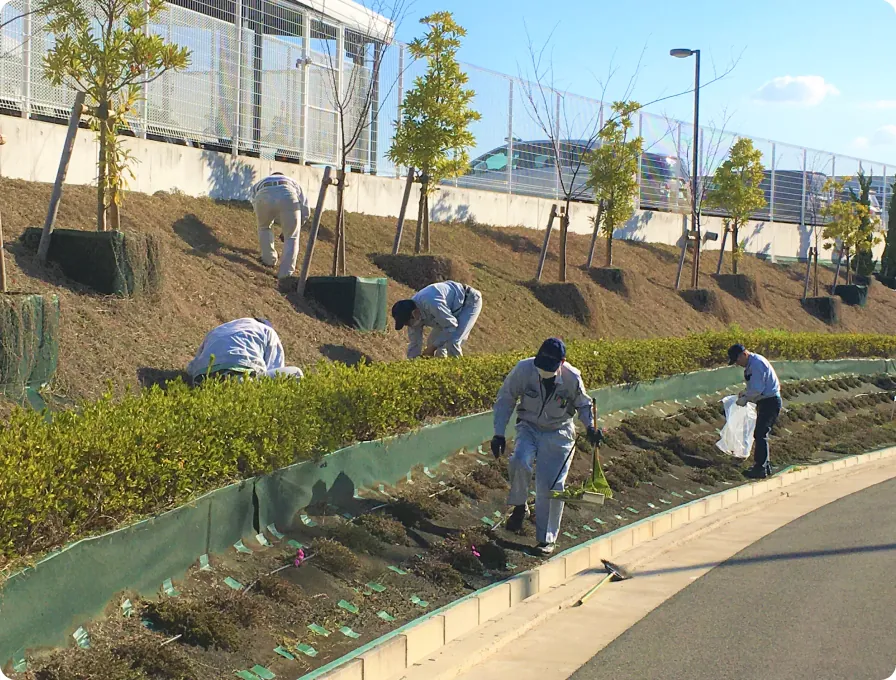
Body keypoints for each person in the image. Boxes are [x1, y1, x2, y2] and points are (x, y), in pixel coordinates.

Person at [490, 338, 603, 555]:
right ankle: (520, 506)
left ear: (562, 362)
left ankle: (546, 540)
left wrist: (590, 427)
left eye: (550, 367)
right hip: (529, 426)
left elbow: (583, 404)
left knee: (551, 485)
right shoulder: (524, 369)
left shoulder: (572, 378)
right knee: (519, 461)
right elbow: (506, 398)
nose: (544, 371)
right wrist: (499, 433)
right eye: (541, 365)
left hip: (558, 432)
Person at [187, 318, 303, 385]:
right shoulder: (268, 331)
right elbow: (275, 369)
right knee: (296, 373)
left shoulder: (218, 330)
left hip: (202, 380)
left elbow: (192, 367)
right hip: (240, 380)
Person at [728, 343, 781, 479]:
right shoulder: (752, 364)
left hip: (770, 401)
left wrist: (746, 398)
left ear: (744, 354)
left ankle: (760, 468)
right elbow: (754, 386)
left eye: (737, 360)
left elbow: (757, 388)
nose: (737, 364)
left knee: (760, 433)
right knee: (761, 433)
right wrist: (745, 392)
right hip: (765, 401)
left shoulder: (757, 364)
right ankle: (765, 466)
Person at [391, 281, 483, 359]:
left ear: (415, 313)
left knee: (453, 341)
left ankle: (459, 372)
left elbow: (451, 326)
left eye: (408, 323)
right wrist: (413, 363)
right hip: (449, 309)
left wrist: (432, 348)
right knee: (433, 342)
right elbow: (414, 343)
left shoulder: (432, 303)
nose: (409, 326)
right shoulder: (411, 312)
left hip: (468, 301)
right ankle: (442, 370)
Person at [250, 172, 310, 283]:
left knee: (263, 228)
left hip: (262, 194)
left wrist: (262, 216)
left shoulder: (261, 182)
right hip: (288, 194)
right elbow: (305, 209)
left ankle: (268, 259)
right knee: (291, 237)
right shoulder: (292, 182)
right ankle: (285, 275)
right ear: (283, 176)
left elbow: (254, 201)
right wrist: (296, 226)